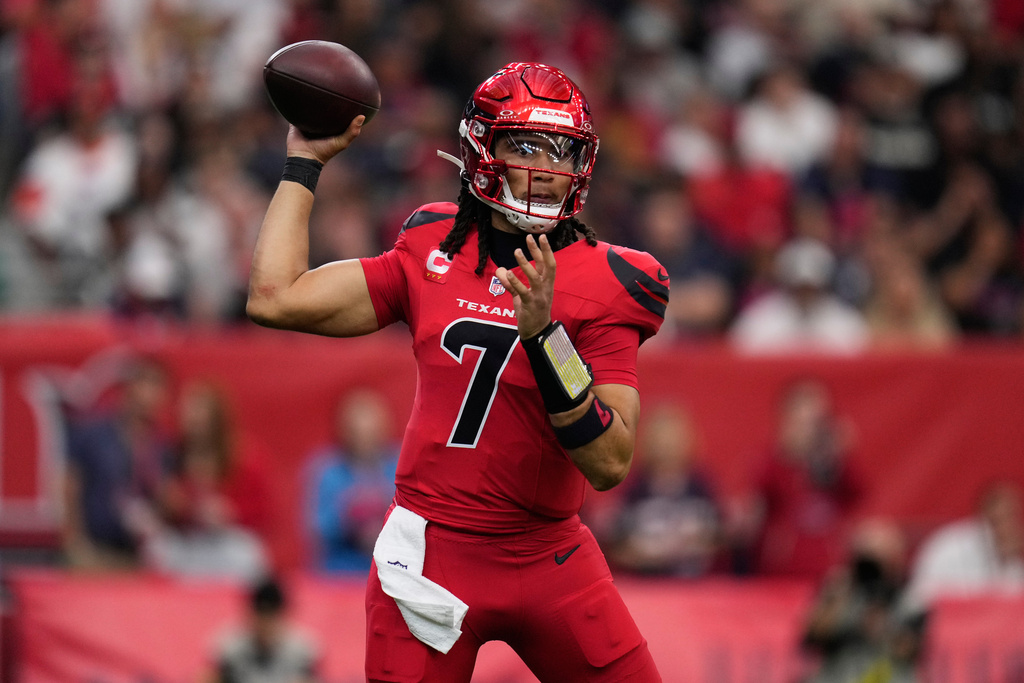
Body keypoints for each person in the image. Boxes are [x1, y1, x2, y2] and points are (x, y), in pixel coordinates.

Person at [247, 62, 666, 681]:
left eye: (562, 151)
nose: (547, 169)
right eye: (526, 146)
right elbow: (275, 297)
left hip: (548, 553)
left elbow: (610, 462)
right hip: (431, 552)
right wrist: (304, 162)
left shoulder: (613, 279)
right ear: (480, 150)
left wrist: (545, 337)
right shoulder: (433, 244)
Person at [61, 355, 174, 571]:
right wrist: (73, 542)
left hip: (141, 557)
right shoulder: (93, 434)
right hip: (95, 553)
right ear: (128, 388)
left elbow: (163, 502)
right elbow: (69, 486)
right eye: (145, 382)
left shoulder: (162, 446)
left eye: (158, 385)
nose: (150, 394)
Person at [304, 388, 399, 574]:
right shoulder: (326, 471)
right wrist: (350, 518)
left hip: (393, 568)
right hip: (342, 569)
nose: (365, 441)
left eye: (372, 433)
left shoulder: (400, 466)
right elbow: (318, 528)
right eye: (357, 433)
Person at [900, 480, 1024, 618]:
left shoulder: (1014, 564)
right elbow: (922, 600)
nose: (1012, 526)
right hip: (928, 619)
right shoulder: (951, 546)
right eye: (1005, 516)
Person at [209, 576, 320, 683]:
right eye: (262, 616)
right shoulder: (230, 645)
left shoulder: (302, 648)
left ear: (285, 615)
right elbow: (212, 678)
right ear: (250, 614)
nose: (266, 625)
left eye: (272, 617)